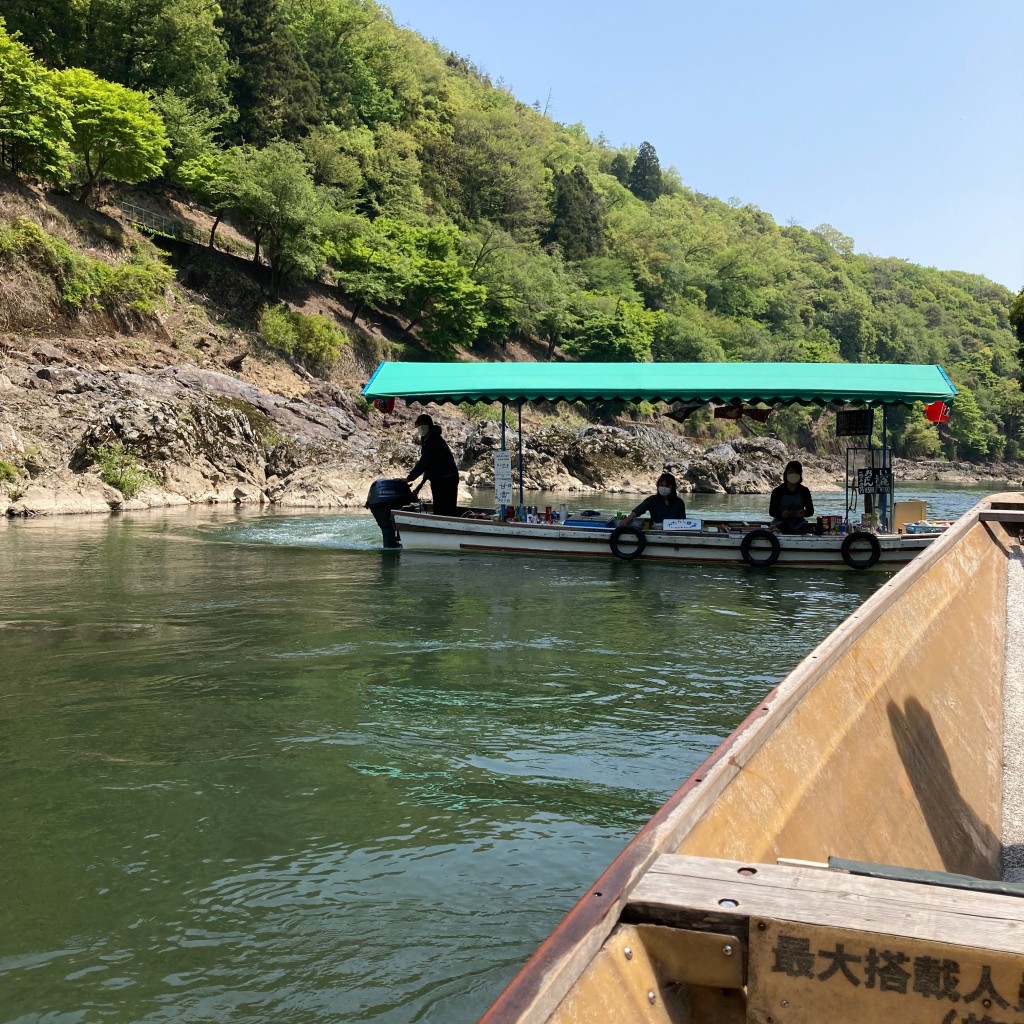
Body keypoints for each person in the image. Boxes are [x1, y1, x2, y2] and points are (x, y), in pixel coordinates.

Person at [406, 413, 459, 517]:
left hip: (447, 480)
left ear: (428, 426)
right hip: (438, 479)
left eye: (422, 425)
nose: (420, 429)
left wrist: (409, 478)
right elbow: (428, 465)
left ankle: (446, 529)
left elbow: (423, 462)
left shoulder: (434, 441)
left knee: (445, 510)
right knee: (440, 509)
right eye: (418, 427)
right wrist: (420, 484)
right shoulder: (427, 440)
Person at [621, 472, 687, 528]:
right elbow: (639, 509)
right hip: (655, 530)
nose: (664, 487)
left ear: (672, 487)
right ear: (658, 486)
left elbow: (683, 521)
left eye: (667, 485)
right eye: (662, 485)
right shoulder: (652, 500)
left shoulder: (679, 502)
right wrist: (627, 519)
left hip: (673, 532)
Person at [769, 460, 815, 533]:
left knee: (807, 528)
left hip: (799, 522)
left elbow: (810, 511)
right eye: (790, 472)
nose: (793, 474)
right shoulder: (778, 491)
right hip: (780, 522)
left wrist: (804, 513)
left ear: (799, 475)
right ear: (786, 473)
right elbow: (772, 511)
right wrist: (781, 514)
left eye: (796, 472)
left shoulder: (804, 491)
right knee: (784, 527)